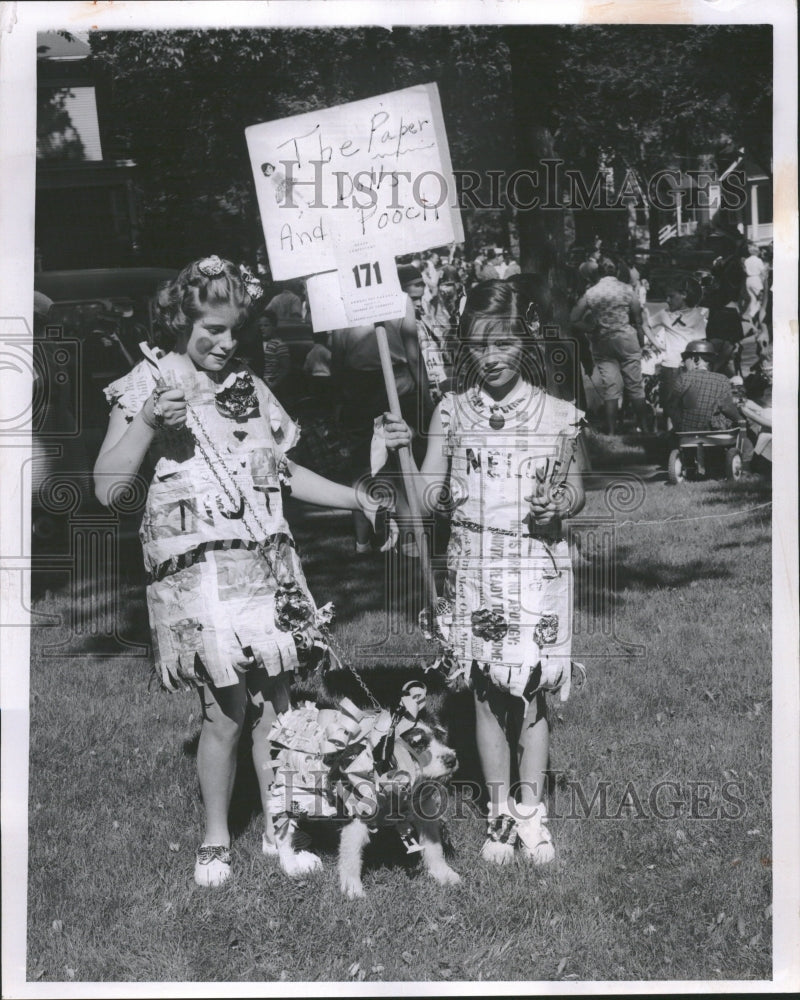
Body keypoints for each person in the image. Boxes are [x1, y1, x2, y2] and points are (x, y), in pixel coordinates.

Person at [93, 255, 392, 888]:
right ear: (181, 320)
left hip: (266, 567)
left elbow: (283, 474)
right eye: (212, 331)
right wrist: (149, 421)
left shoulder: (250, 389)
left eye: (235, 331)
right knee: (225, 712)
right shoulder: (146, 382)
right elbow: (106, 488)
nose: (226, 344)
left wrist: (354, 496)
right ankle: (215, 840)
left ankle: (280, 832)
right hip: (199, 576)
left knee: (277, 704)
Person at [380, 280, 585, 865]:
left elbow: (576, 489)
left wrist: (560, 505)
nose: (490, 357)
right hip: (475, 564)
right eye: (477, 346)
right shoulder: (452, 410)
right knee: (487, 691)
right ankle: (499, 814)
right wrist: (398, 454)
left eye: (502, 343)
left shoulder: (559, 415)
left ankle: (532, 812)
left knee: (535, 690)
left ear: (526, 340)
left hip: (536, 565)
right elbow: (426, 498)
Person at [569, 256, 657, 435]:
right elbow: (638, 320)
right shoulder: (627, 289)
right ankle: (646, 429)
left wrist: (590, 328)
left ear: (599, 272)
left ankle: (611, 432)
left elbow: (573, 318)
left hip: (602, 341)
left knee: (611, 388)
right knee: (635, 386)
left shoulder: (592, 292)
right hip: (626, 339)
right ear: (617, 271)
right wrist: (641, 341)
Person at [649, 275, 708, 414]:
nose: (667, 300)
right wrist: (655, 343)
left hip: (689, 366)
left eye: (671, 296)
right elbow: (645, 324)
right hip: (670, 365)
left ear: (684, 295)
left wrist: (699, 365)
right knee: (669, 403)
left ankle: (681, 431)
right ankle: (669, 432)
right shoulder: (664, 314)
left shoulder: (696, 315)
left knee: (688, 403)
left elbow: (700, 343)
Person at [664, 339, 742, 433]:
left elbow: (671, 407)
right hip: (714, 435)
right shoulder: (722, 379)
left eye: (685, 360)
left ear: (695, 359)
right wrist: (740, 420)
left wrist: (680, 425)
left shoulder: (683, 378)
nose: (683, 363)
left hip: (687, 434)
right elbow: (726, 408)